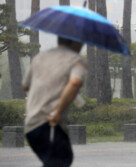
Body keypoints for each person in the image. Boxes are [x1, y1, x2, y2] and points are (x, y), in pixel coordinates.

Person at [22, 37, 87, 167]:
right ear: (75, 42)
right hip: (49, 122)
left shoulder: (40, 57)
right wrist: (57, 111)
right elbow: (75, 82)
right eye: (81, 41)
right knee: (61, 160)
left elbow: (26, 86)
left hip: (31, 126)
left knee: (55, 161)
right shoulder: (75, 60)